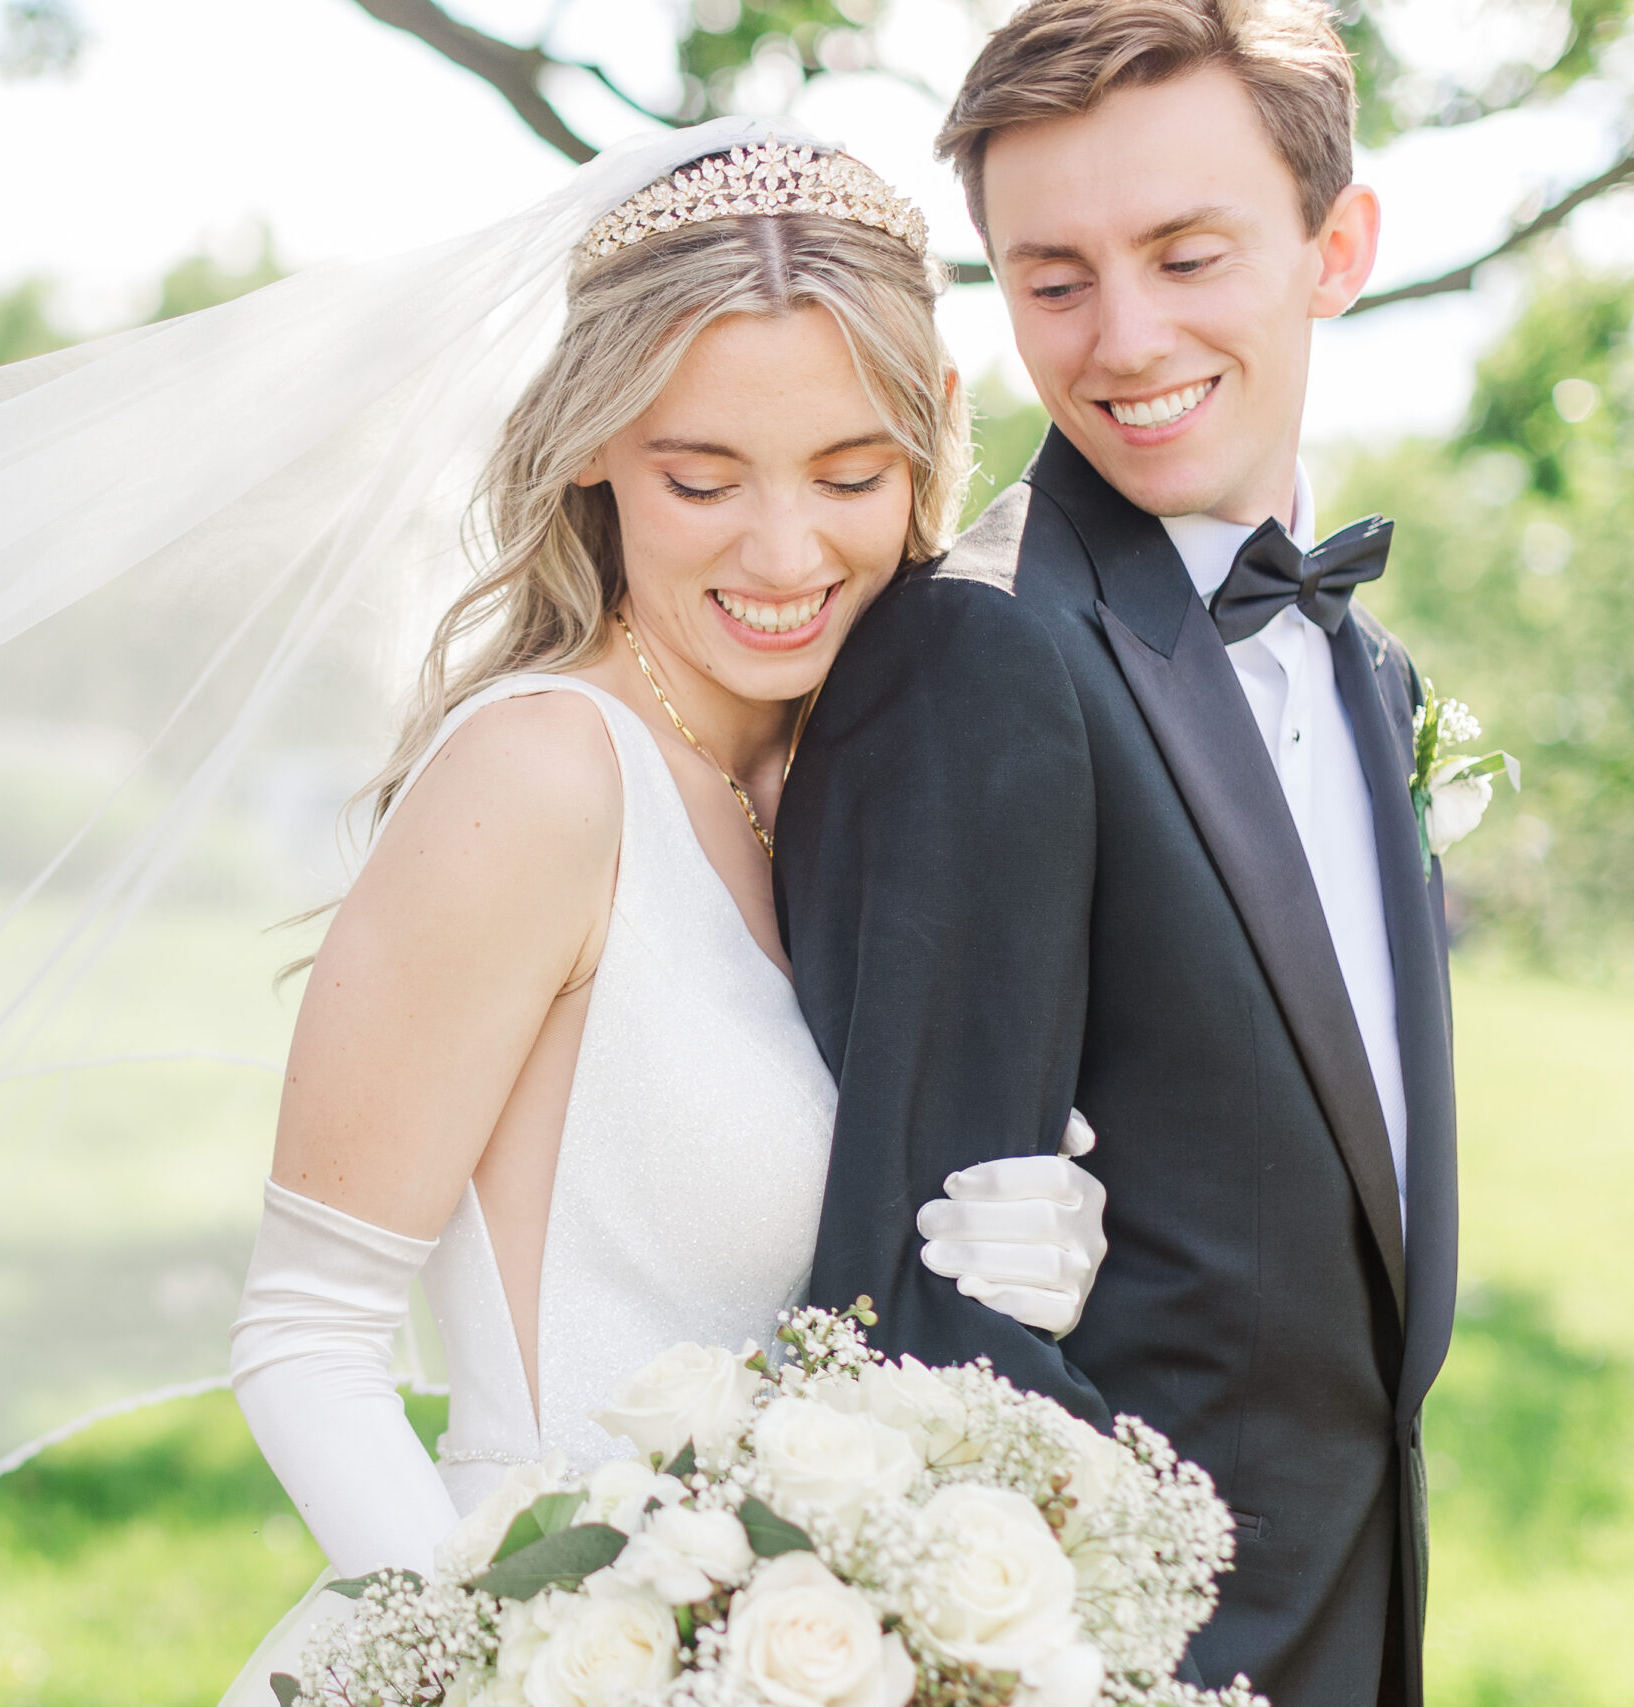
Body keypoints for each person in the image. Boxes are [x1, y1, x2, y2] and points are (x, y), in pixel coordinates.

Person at [222, 136, 1112, 1696]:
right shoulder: (545, 776)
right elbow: (305, 1337)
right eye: (702, 480)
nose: (787, 554)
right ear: (588, 449)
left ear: (937, 437)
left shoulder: (882, 767)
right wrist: (499, 1656)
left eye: (850, 477)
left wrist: (1035, 1258)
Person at [779, 3, 1454, 1703]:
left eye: (1186, 252)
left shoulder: (1374, 677)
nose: (1122, 336)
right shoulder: (981, 654)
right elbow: (917, 1328)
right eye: (1053, 277)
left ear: (1337, 246)